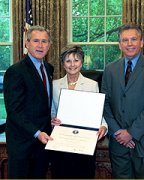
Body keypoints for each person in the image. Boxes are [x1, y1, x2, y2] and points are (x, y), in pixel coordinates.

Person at [101, 23, 144, 178]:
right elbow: (105, 103)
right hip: (118, 143)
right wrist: (118, 132)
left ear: (142, 42)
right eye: (125, 40)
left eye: (133, 39)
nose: (129, 44)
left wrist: (131, 133)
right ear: (119, 44)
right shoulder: (110, 69)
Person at [3, 25, 54, 178]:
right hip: (22, 145)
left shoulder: (49, 68)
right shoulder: (15, 71)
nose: (40, 45)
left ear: (49, 45)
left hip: (42, 144)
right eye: (36, 41)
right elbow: (14, 111)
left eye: (44, 41)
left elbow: (41, 104)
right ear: (27, 44)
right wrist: (37, 133)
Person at [50, 45, 107, 179]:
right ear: (63, 64)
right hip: (61, 142)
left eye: (76, 60)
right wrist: (53, 120)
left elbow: (97, 111)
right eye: (68, 61)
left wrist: (104, 126)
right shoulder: (55, 85)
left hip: (84, 142)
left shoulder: (92, 84)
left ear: (81, 62)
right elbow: (52, 111)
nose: (72, 64)